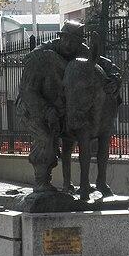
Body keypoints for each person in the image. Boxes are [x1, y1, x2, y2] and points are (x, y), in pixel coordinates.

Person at [16, 21, 87, 192]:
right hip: (31, 106)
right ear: (60, 38)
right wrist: (46, 110)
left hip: (61, 109)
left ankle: (83, 184)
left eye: (74, 41)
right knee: (46, 138)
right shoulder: (41, 56)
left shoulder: (82, 52)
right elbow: (28, 91)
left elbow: (101, 65)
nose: (70, 45)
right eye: (66, 40)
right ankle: (42, 182)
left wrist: (113, 78)